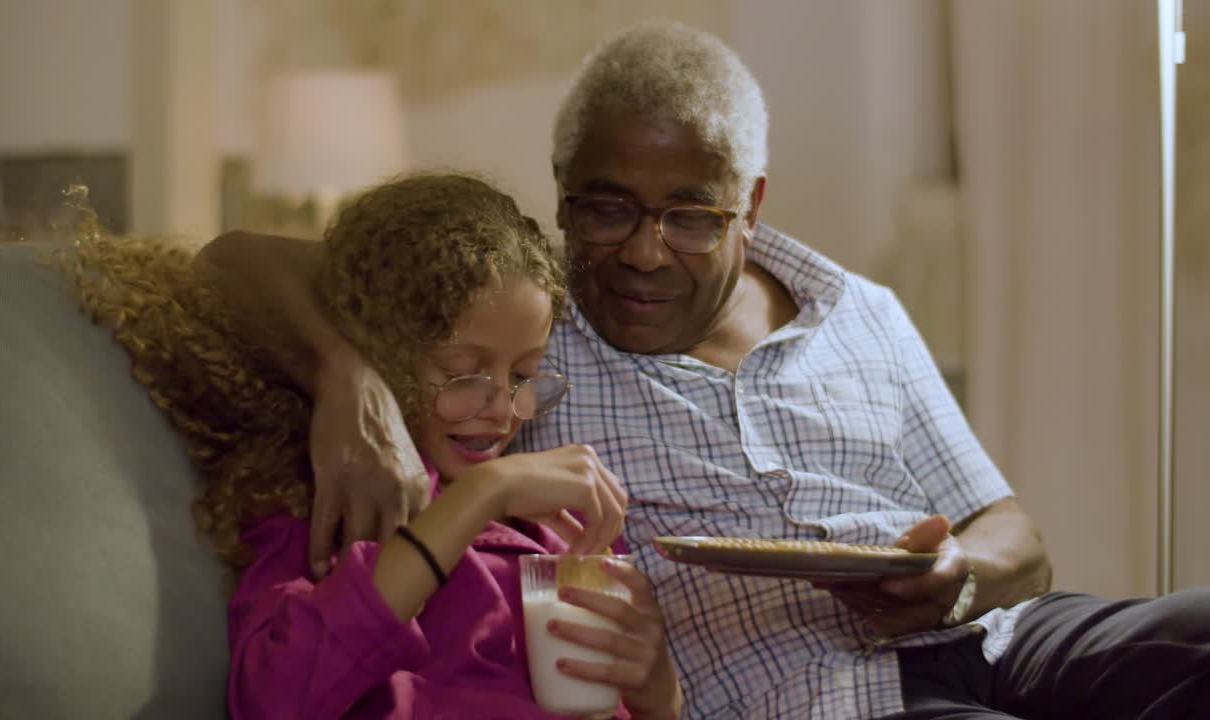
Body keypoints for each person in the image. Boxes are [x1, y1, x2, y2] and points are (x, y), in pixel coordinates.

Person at [196, 21, 1210, 720]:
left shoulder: (856, 308)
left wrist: (952, 579)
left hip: (996, 637)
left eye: (689, 215)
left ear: (750, 204)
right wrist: (344, 376)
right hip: (823, 697)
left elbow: (1017, 542)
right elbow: (231, 260)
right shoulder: (526, 336)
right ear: (561, 197)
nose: (642, 250)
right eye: (605, 208)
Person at [66, 173, 683, 719]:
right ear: (380, 350)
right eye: (462, 371)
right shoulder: (331, 510)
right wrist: (481, 497)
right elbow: (275, 700)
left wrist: (661, 699)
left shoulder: (563, 531)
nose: (503, 408)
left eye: (525, 374)